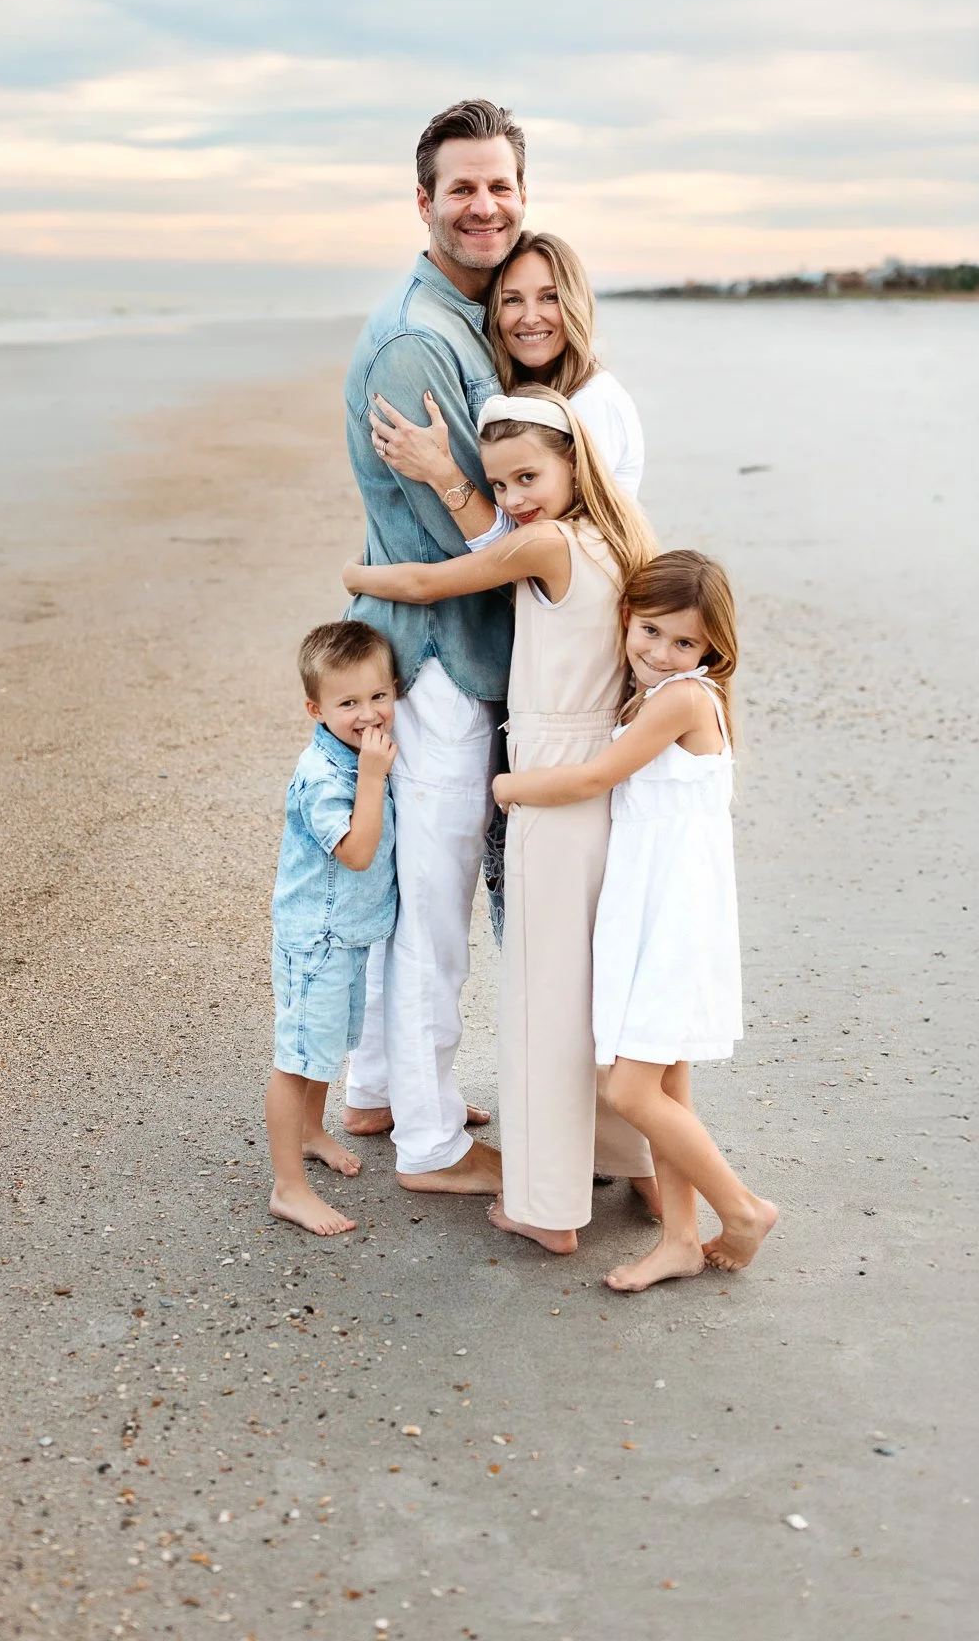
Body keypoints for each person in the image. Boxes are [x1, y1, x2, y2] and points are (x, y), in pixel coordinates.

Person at [344, 385, 660, 1252]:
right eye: (502, 483)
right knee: (599, 990)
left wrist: (354, 578)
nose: (514, 498)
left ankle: (546, 1206)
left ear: (571, 465)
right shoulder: (616, 535)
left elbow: (426, 580)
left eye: (527, 476)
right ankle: (629, 1164)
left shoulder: (547, 543)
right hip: (606, 778)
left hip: (552, 779)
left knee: (542, 998)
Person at [493, 551, 779, 1290]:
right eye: (649, 630)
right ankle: (680, 1239)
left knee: (627, 1089)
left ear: (710, 650)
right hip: (647, 907)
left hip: (673, 916)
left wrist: (508, 784)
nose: (658, 651)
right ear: (626, 618)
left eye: (681, 643)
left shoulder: (684, 699)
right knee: (669, 1082)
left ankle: (741, 1208)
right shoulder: (652, 693)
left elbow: (593, 777)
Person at [341, 99, 528, 1196]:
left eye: (499, 183)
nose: (483, 203)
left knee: (416, 899)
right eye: (461, 185)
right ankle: (430, 1141)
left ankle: (377, 1086)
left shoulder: (461, 317)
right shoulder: (421, 338)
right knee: (436, 912)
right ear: (424, 201)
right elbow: (487, 537)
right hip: (444, 664)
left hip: (425, 649)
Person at [265, 621, 399, 1237]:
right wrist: (372, 777)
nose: (367, 713)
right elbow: (355, 853)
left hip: (347, 933)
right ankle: (288, 1187)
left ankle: (314, 1132)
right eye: (348, 703)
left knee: (327, 1045)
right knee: (297, 1058)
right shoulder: (328, 775)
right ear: (316, 709)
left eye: (379, 696)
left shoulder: (358, 750)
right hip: (316, 940)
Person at [365, 229, 644, 521]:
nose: (531, 317)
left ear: (575, 304)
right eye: (512, 300)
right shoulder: (517, 396)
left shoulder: (593, 404)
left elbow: (548, 551)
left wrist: (441, 472)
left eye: (549, 297)